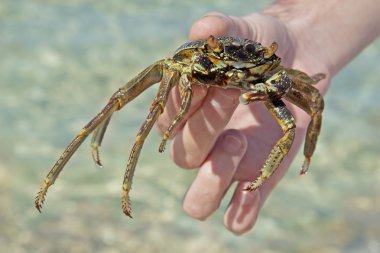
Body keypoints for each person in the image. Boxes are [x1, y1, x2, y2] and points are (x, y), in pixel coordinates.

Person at [156, 0, 380, 235]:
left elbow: (311, 96)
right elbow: (180, 57)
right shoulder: (203, 54)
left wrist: (306, 44)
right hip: (208, 73)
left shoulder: (276, 72)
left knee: (305, 112)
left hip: (264, 81)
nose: (239, 67)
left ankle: (281, 167)